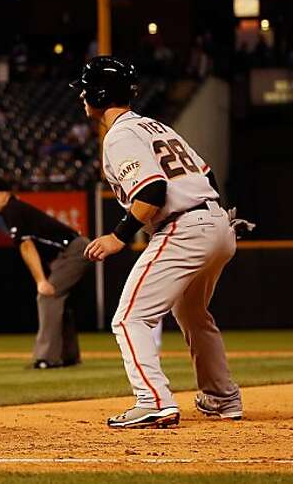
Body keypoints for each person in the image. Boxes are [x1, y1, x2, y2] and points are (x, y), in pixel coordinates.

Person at [75, 56, 241, 428]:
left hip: (183, 227)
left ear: (98, 94)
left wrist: (118, 236)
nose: (82, 96)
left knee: (130, 317)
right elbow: (208, 175)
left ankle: (152, 399)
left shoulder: (119, 135)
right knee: (194, 315)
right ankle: (222, 398)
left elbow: (152, 188)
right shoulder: (157, 127)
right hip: (215, 221)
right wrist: (211, 217)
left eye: (85, 89)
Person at [0, 179, 91, 369]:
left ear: (3, 194)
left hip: (72, 251)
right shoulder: (12, 209)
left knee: (47, 296)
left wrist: (41, 280)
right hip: (67, 253)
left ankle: (47, 358)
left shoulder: (11, 210)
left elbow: (26, 245)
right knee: (58, 300)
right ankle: (68, 356)